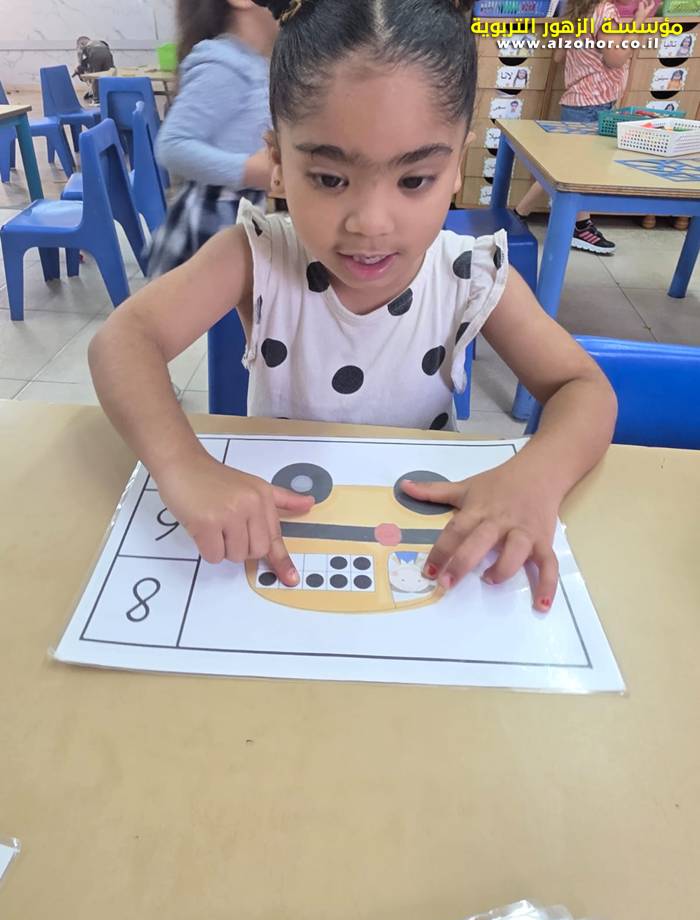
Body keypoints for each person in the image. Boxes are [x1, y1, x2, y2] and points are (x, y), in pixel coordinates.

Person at [88, 0, 617, 613]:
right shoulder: (255, 256)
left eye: (414, 180)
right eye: (329, 178)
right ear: (278, 163)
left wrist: (536, 478)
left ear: (456, 168)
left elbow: (585, 389)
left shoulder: (469, 273)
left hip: (421, 555)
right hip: (280, 545)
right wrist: (184, 467)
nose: (371, 223)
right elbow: (122, 341)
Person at [147, 0, 279, 277]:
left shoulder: (257, 63)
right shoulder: (224, 62)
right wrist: (247, 170)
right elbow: (171, 145)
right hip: (207, 224)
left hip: (239, 216)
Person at [515, 0, 658, 253]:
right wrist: (637, 24)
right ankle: (569, 225)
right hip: (594, 103)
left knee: (568, 167)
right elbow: (615, 59)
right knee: (572, 170)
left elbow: (559, 56)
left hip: (577, 100)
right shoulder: (605, 12)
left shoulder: (574, 11)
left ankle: (563, 221)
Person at [72, 36, 114, 102]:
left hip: (94, 54)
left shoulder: (83, 45)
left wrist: (80, 66)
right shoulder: (99, 42)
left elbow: (80, 54)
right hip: (108, 54)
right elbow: (106, 48)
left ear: (81, 43)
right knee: (109, 75)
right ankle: (111, 95)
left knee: (95, 76)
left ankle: (96, 99)